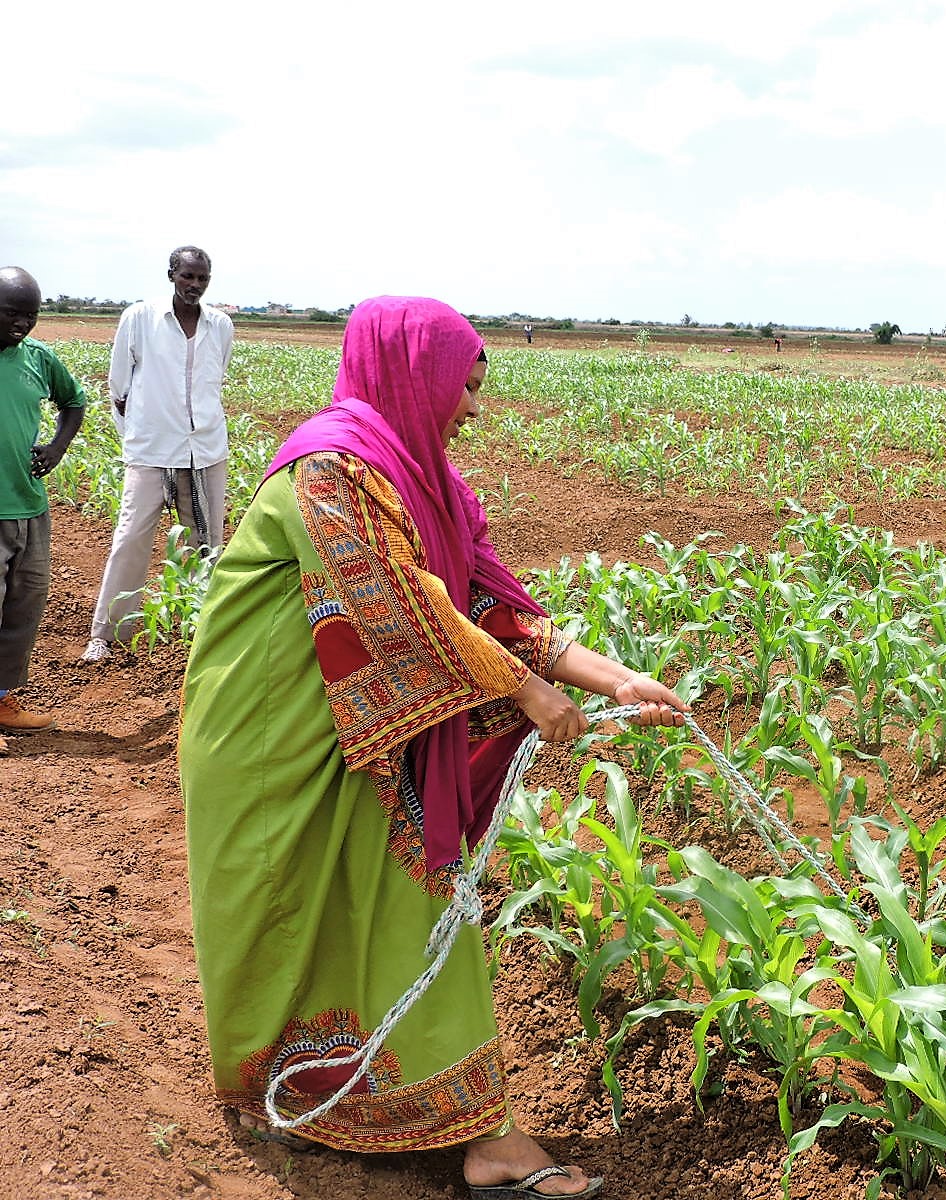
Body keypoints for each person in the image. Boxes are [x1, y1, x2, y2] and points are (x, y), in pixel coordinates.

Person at [179, 296, 688, 1197]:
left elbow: (488, 605)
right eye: (466, 387)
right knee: (295, 908)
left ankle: (443, 1124)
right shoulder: (330, 469)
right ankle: (324, 1097)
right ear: (414, 376)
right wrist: (526, 692)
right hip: (271, 736)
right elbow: (399, 606)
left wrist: (613, 680)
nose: (474, 409)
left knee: (397, 905)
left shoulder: (420, 482)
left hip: (359, 725)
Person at [81, 246, 235, 663]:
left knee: (207, 542)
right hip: (151, 450)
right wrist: (136, 439)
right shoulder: (140, 318)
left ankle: (200, 627)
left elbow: (215, 379)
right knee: (130, 538)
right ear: (171, 275)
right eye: (187, 276)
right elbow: (119, 387)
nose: (195, 285)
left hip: (205, 449)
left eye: (202, 278)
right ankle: (106, 632)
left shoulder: (220, 325)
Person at [0, 267, 87, 734]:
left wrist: (57, 447)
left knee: (24, 606)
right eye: (12, 313)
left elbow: (73, 401)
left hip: (29, 505)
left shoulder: (37, 358)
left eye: (31, 315)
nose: (23, 323)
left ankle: (2, 700)